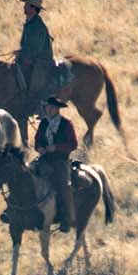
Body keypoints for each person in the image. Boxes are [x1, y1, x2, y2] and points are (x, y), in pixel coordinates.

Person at [33, 95, 78, 232]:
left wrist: (56, 148)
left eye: (52, 107)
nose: (49, 110)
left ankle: (67, 219)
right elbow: (37, 140)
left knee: (63, 186)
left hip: (60, 161)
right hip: (44, 159)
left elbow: (73, 144)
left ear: (58, 109)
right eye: (47, 107)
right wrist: (40, 148)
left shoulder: (66, 124)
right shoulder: (43, 123)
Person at [15, 0, 52, 103]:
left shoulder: (38, 26)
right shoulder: (30, 23)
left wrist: (22, 53)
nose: (24, 7)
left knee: (33, 86)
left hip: (41, 60)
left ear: (33, 9)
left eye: (27, 5)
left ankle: (35, 101)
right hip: (31, 57)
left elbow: (35, 49)